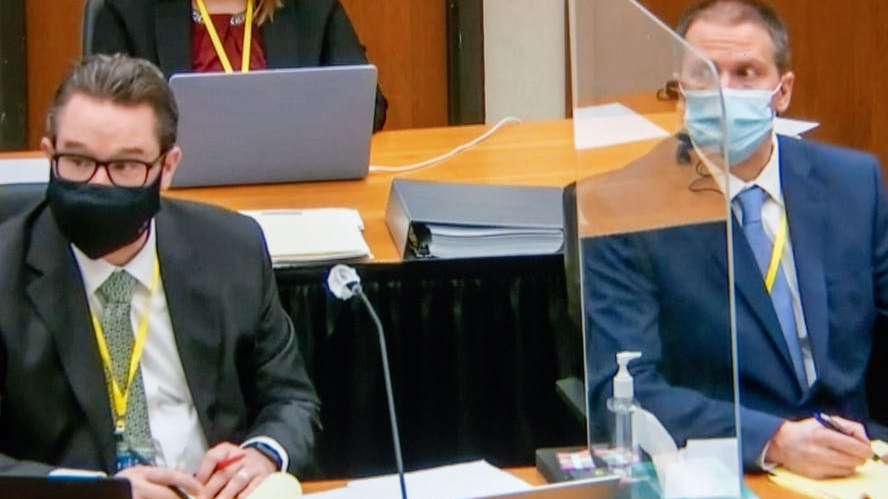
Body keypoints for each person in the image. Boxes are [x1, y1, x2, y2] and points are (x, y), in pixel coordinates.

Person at [583, 0, 888, 480]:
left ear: (782, 91)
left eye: (746, 72)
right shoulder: (623, 206)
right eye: (705, 75)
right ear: (680, 90)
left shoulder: (854, 182)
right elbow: (623, 390)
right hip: (728, 469)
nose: (724, 93)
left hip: (858, 463)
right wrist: (775, 440)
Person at [0, 53, 320, 499]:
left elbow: (291, 399)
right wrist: (101, 492)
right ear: (49, 154)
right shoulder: (6, 269)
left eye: (126, 166)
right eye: (77, 161)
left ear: (167, 168)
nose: (99, 184)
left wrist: (260, 456)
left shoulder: (231, 248)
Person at [90, 0, 388, 131]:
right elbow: (105, 113)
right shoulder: (128, 10)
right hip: (173, 194)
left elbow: (367, 106)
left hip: (290, 188)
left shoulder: (310, 6)